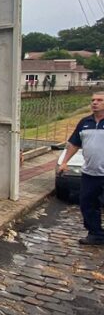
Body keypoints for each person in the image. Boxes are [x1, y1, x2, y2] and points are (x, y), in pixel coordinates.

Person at [58, 92, 104, 245]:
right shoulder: (85, 122)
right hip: (90, 173)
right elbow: (74, 144)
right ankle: (95, 234)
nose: (95, 103)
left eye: (99, 100)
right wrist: (64, 162)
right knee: (87, 204)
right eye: (93, 100)